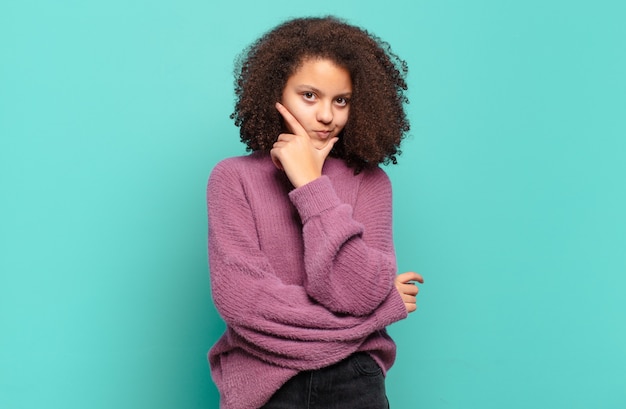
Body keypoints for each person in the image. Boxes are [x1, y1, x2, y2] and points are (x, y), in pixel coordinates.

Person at [207, 16, 424, 409]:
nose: (327, 115)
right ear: (277, 93)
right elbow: (244, 305)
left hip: (354, 380)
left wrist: (309, 183)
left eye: (340, 100)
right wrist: (380, 313)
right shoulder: (232, 178)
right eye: (309, 95)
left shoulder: (370, 182)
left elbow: (351, 292)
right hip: (262, 385)